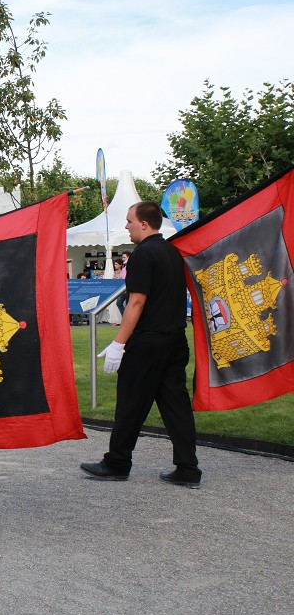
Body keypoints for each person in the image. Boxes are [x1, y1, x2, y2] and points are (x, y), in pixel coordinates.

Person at [81, 201, 201, 488]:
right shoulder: (173, 252)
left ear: (144, 224)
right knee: (176, 406)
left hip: (147, 342)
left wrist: (118, 343)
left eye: (129, 221)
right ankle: (188, 467)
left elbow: (136, 300)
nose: (126, 226)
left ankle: (117, 463)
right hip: (174, 339)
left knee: (131, 403)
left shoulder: (143, 255)